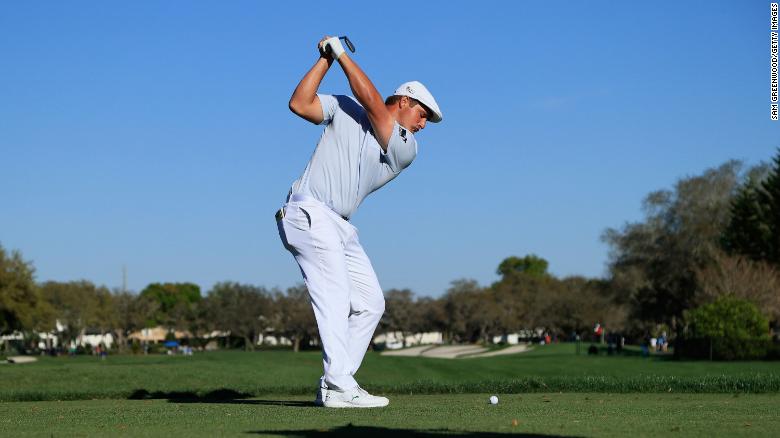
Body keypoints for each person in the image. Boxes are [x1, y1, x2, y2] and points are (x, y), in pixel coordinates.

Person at [276, 35, 442, 408]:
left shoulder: (405, 147)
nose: (424, 125)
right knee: (334, 296)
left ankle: (336, 383)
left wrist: (340, 53)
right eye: (422, 115)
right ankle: (338, 385)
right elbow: (299, 103)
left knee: (370, 303)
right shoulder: (345, 107)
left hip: (339, 225)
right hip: (310, 212)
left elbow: (373, 104)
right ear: (405, 102)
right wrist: (326, 61)